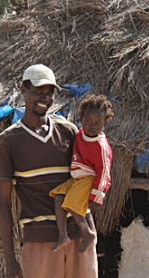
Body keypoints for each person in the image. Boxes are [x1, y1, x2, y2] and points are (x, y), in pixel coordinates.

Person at [0, 64, 98, 278]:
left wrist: (89, 228)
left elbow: (85, 179)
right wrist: (10, 261)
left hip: (79, 240)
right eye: (38, 90)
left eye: (50, 92)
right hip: (39, 243)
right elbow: (2, 203)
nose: (45, 97)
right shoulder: (9, 142)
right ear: (23, 89)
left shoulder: (68, 132)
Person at [49, 94, 114, 254]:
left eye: (97, 123)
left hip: (89, 179)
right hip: (77, 178)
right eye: (88, 122)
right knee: (59, 198)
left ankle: (88, 232)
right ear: (81, 119)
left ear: (104, 123)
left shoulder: (101, 145)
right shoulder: (79, 135)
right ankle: (63, 235)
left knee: (72, 204)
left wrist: (97, 195)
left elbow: (104, 171)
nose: (91, 126)